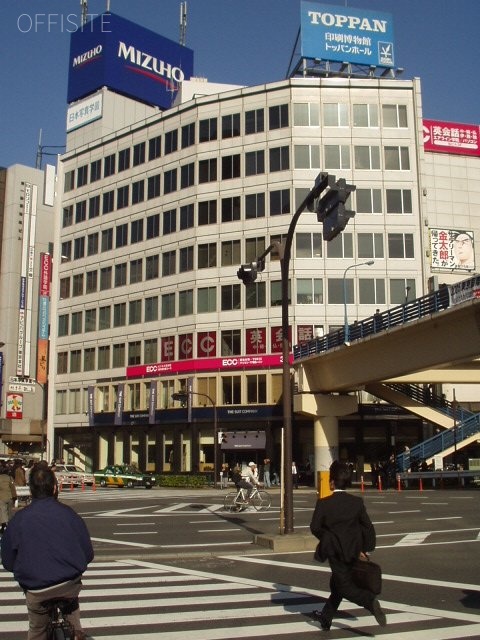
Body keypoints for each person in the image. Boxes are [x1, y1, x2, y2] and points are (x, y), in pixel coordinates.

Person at [1, 464, 94, 640]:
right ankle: (76, 632)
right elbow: (88, 553)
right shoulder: (70, 515)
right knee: (72, 614)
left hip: (36, 588)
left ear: (30, 490)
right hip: (69, 584)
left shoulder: (19, 519)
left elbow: (7, 560)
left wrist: (24, 571)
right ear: (54, 488)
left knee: (37, 629)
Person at [310, 461, 386, 631]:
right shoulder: (356, 502)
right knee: (337, 584)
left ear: (331, 482)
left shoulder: (324, 503)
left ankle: (369, 602)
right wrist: (365, 549)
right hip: (354, 548)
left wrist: (328, 537)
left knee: (344, 585)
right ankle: (326, 618)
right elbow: (367, 526)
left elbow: (315, 527)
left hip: (335, 550)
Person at [0, 461, 17, 533]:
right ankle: (9, 526)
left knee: (3, 511)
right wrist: (15, 496)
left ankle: (4, 525)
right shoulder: (10, 478)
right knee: (10, 512)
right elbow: (13, 488)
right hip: (10, 497)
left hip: (1, 497)